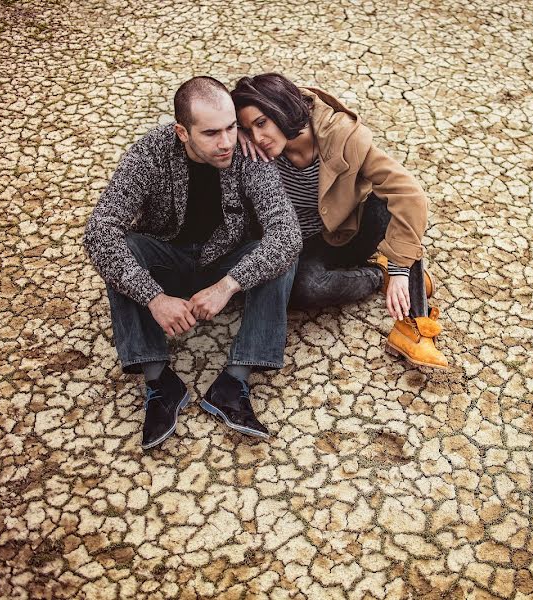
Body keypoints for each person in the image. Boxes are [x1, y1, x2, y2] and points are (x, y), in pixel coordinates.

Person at [84, 76, 302, 449]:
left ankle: (233, 382)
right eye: (212, 133)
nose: (226, 142)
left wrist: (227, 286)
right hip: (167, 263)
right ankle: (159, 383)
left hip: (224, 265)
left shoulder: (246, 154)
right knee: (122, 247)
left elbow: (287, 233)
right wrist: (153, 297)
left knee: (284, 250)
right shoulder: (150, 152)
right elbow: (99, 231)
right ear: (182, 132)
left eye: (232, 127)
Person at [231, 73, 448, 370]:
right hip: (297, 246)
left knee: (389, 201)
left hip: (348, 232)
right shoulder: (252, 147)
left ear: (283, 109)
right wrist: (233, 134)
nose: (257, 138)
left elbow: (408, 193)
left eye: (261, 123)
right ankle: (377, 277)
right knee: (305, 290)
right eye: (248, 129)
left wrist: (400, 267)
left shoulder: (344, 136)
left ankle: (411, 315)